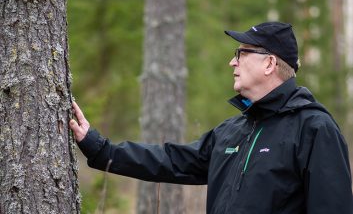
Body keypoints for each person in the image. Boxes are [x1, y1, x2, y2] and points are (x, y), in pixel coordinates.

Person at [70, 22, 353, 214]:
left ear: (269, 63)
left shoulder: (315, 128)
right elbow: (171, 161)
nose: (233, 61)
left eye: (241, 53)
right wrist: (98, 147)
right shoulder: (233, 130)